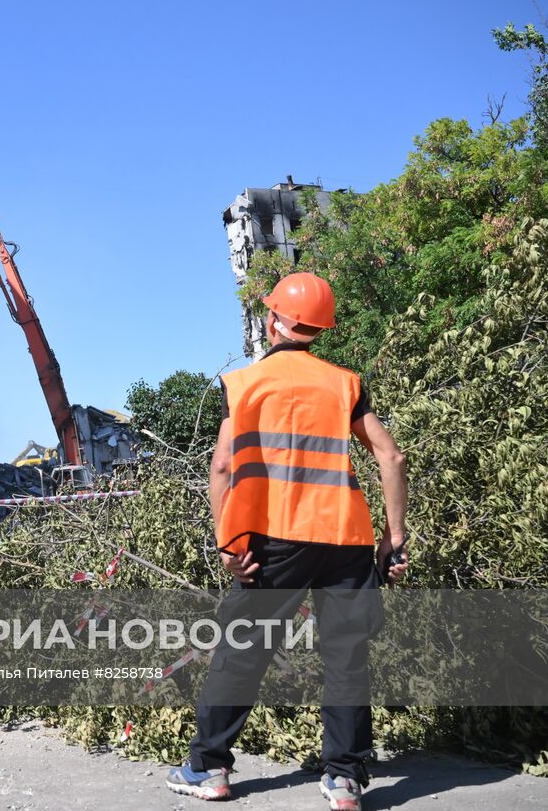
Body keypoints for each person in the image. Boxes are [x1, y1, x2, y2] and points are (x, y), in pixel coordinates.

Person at [165, 272, 409, 810]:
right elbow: (391, 457)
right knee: (346, 656)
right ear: (321, 328)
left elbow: (224, 464)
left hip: (274, 542)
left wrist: (229, 543)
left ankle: (210, 769)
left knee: (241, 652)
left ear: (273, 319)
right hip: (344, 539)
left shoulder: (245, 383)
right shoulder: (345, 383)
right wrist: (395, 538)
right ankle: (344, 779)